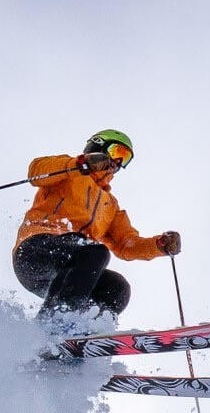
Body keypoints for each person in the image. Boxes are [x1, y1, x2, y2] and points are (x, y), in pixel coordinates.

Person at [12, 130, 181, 334]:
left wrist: (158, 245)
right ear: (98, 145)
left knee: (117, 287)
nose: (118, 162)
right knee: (95, 252)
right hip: (36, 251)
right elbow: (36, 172)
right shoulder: (71, 170)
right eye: (117, 151)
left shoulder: (110, 205)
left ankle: (80, 337)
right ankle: (57, 325)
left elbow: (126, 244)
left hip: (67, 274)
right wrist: (79, 164)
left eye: (125, 159)